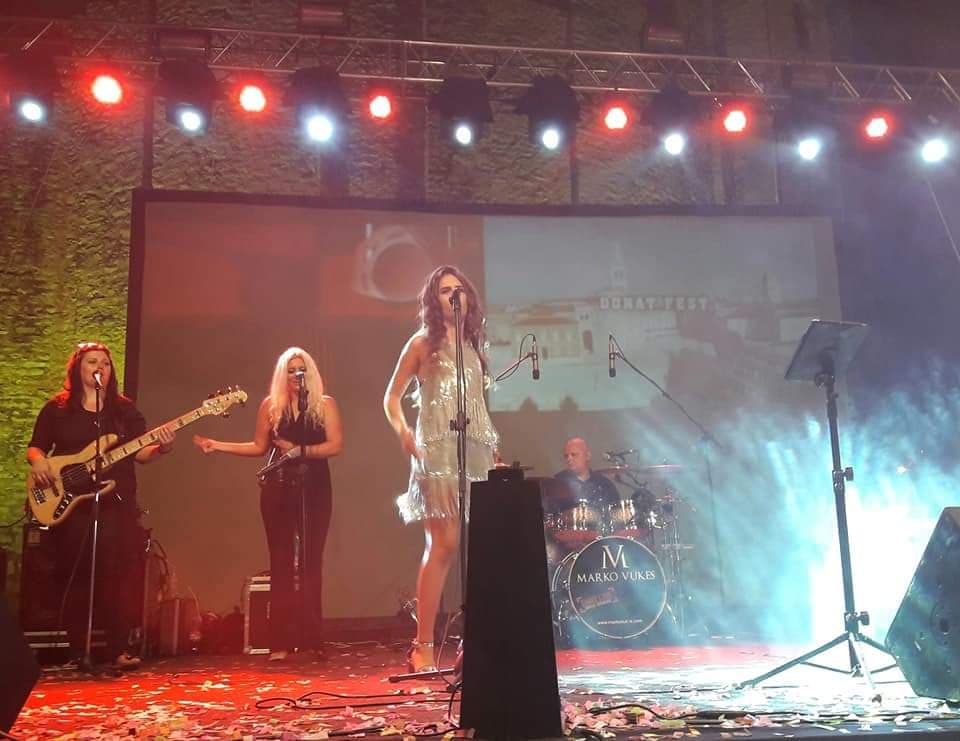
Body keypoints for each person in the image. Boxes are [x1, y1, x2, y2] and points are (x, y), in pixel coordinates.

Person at [27, 341, 176, 670]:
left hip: (115, 502)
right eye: (92, 362)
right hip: (70, 503)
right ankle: (78, 651)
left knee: (117, 576)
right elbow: (36, 447)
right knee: (77, 574)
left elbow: (140, 453)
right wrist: (38, 462)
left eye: (105, 364)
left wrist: (162, 448)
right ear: (78, 368)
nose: (100, 368)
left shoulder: (123, 411)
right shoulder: (57, 409)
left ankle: (118, 649)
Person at [384, 265, 500, 673]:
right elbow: (391, 397)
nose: (454, 295)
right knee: (444, 544)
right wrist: (403, 433)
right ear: (434, 300)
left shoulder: (473, 345)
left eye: (459, 289)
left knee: (479, 548)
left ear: (468, 297)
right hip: (435, 451)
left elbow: (478, 405)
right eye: (445, 290)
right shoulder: (421, 343)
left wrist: (493, 450)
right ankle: (423, 645)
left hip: (474, 450)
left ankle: (477, 642)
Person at [193, 347, 342, 662]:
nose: (297, 375)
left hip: (315, 487)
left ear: (310, 373)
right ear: (282, 375)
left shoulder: (324, 404)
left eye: (302, 369)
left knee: (312, 561)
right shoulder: (271, 406)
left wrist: (300, 451)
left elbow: (335, 445)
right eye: (291, 370)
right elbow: (259, 446)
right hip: (279, 487)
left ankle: (312, 639)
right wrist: (217, 445)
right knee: (281, 561)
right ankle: (280, 642)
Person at [554, 437, 620, 512]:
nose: (569, 459)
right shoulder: (557, 483)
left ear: (587, 456)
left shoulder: (604, 484)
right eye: (566, 456)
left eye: (574, 454)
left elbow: (616, 512)